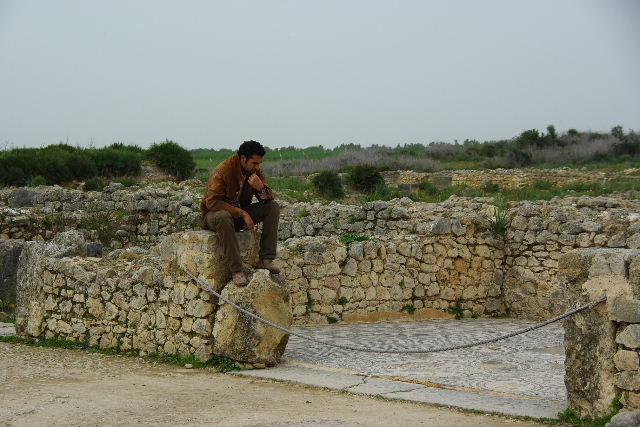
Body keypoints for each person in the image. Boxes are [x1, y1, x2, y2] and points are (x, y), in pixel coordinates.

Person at [199, 140, 280, 286]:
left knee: (273, 207)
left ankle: (266, 259)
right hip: (214, 216)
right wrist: (241, 213)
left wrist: (261, 188)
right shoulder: (222, 171)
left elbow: (268, 198)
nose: (257, 167)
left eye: (259, 164)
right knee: (224, 216)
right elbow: (212, 202)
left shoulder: (254, 172)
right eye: (254, 163)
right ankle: (237, 270)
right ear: (243, 158)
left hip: (236, 217)